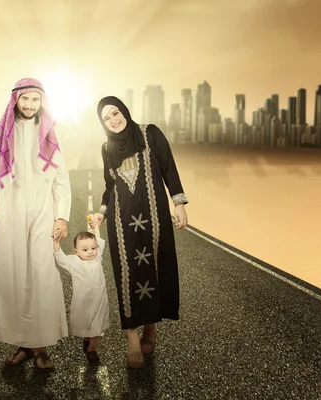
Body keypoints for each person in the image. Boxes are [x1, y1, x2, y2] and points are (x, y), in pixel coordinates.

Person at [0, 77, 72, 373]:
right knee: (14, 277)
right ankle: (22, 344)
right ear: (15, 100)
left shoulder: (49, 134)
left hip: (43, 215)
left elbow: (62, 180)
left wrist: (62, 216)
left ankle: (41, 348)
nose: (30, 105)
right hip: (10, 215)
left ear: (42, 102)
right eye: (25, 99)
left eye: (35, 100)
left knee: (41, 277)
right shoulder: (0, 134)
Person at [90, 96, 189, 369]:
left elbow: (169, 167)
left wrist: (179, 204)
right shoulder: (106, 147)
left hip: (154, 218)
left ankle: (150, 328)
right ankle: (132, 335)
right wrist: (102, 211)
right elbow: (109, 186)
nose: (113, 120)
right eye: (106, 118)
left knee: (156, 268)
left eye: (116, 113)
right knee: (127, 273)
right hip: (121, 223)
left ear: (125, 111)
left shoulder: (150, 133)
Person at [52, 218, 110, 365]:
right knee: (85, 324)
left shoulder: (98, 259)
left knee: (97, 329)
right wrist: (56, 242)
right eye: (85, 250)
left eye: (93, 248)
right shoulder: (74, 262)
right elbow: (60, 258)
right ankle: (87, 338)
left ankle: (91, 350)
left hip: (99, 303)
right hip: (83, 303)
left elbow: (99, 240)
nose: (91, 252)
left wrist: (96, 227)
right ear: (75, 251)